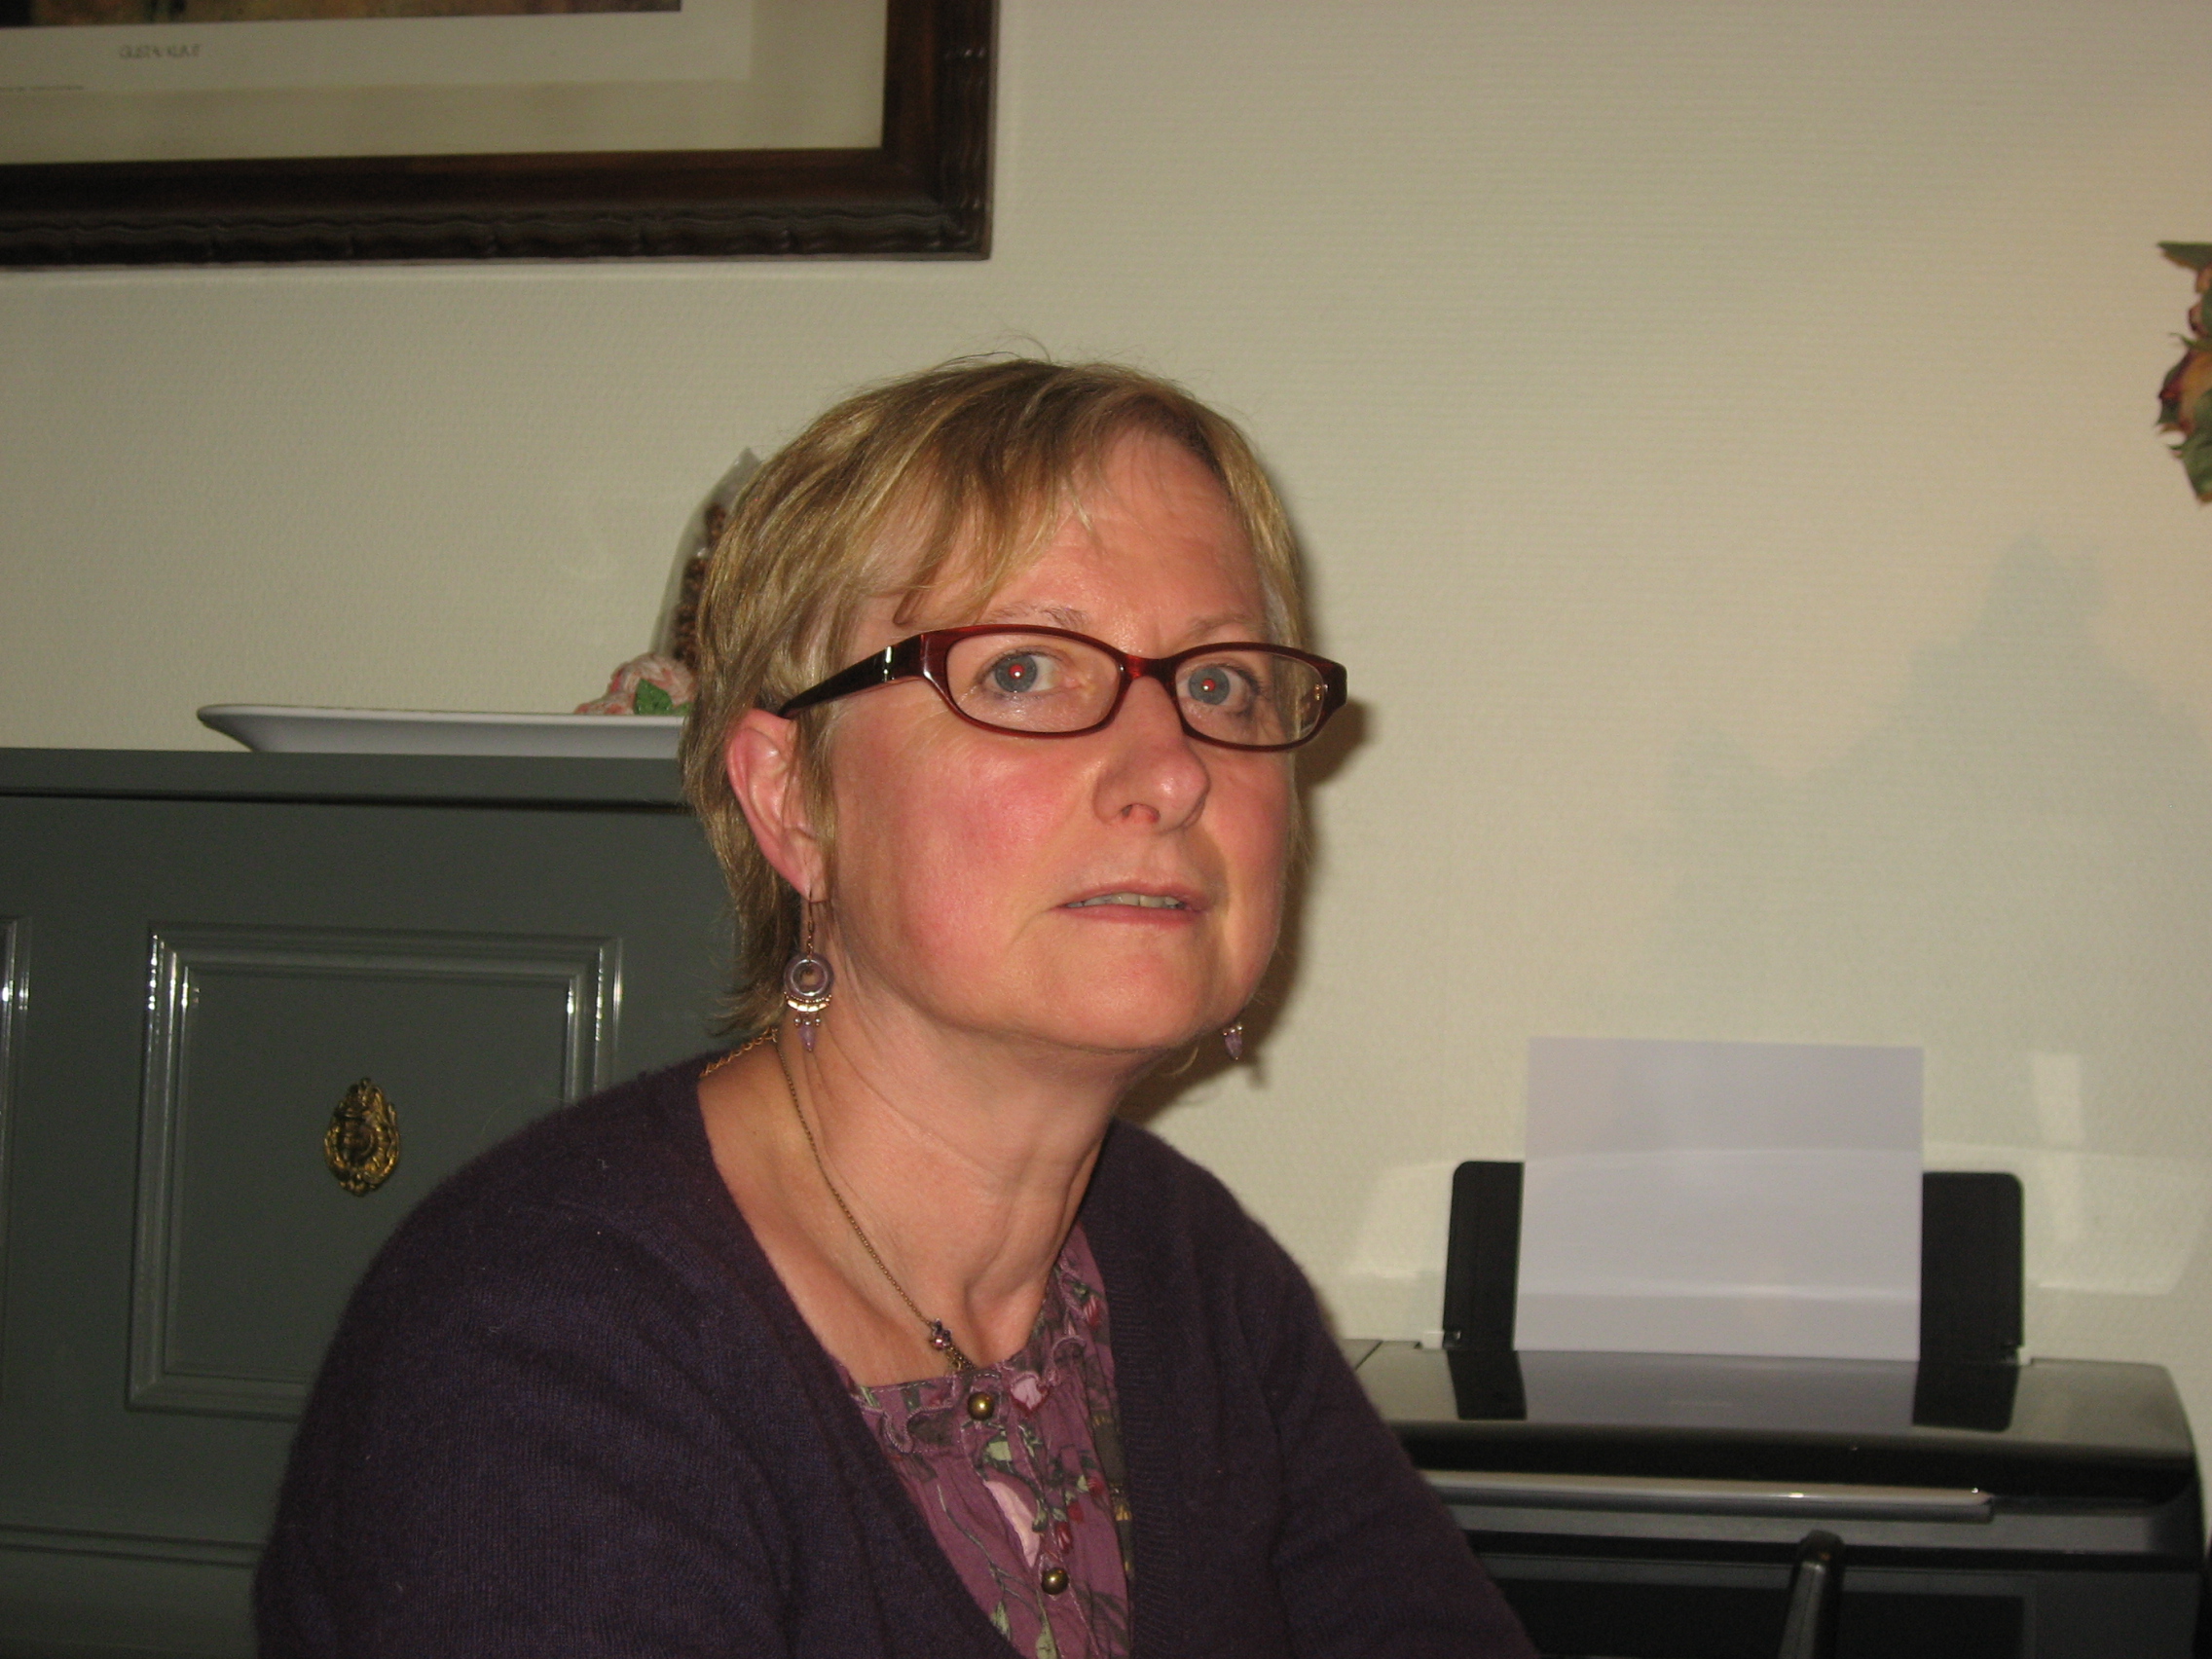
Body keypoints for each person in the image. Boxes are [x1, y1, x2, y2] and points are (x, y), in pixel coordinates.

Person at [256, 358, 1535, 1659]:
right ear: (792, 800)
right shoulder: (545, 1339)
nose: (1172, 772)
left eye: (1219, 685)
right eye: (1023, 670)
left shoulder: (1186, 1268)